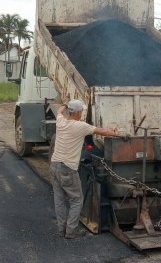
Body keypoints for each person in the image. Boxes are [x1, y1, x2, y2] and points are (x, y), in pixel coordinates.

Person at [50, 99, 118, 239]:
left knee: (59, 199)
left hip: (54, 165)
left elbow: (59, 111)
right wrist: (115, 133)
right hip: (67, 168)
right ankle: (71, 231)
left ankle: (61, 229)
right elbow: (102, 132)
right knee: (77, 200)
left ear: (69, 111)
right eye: (82, 111)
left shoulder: (60, 121)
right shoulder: (81, 126)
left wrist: (64, 105)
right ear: (79, 112)